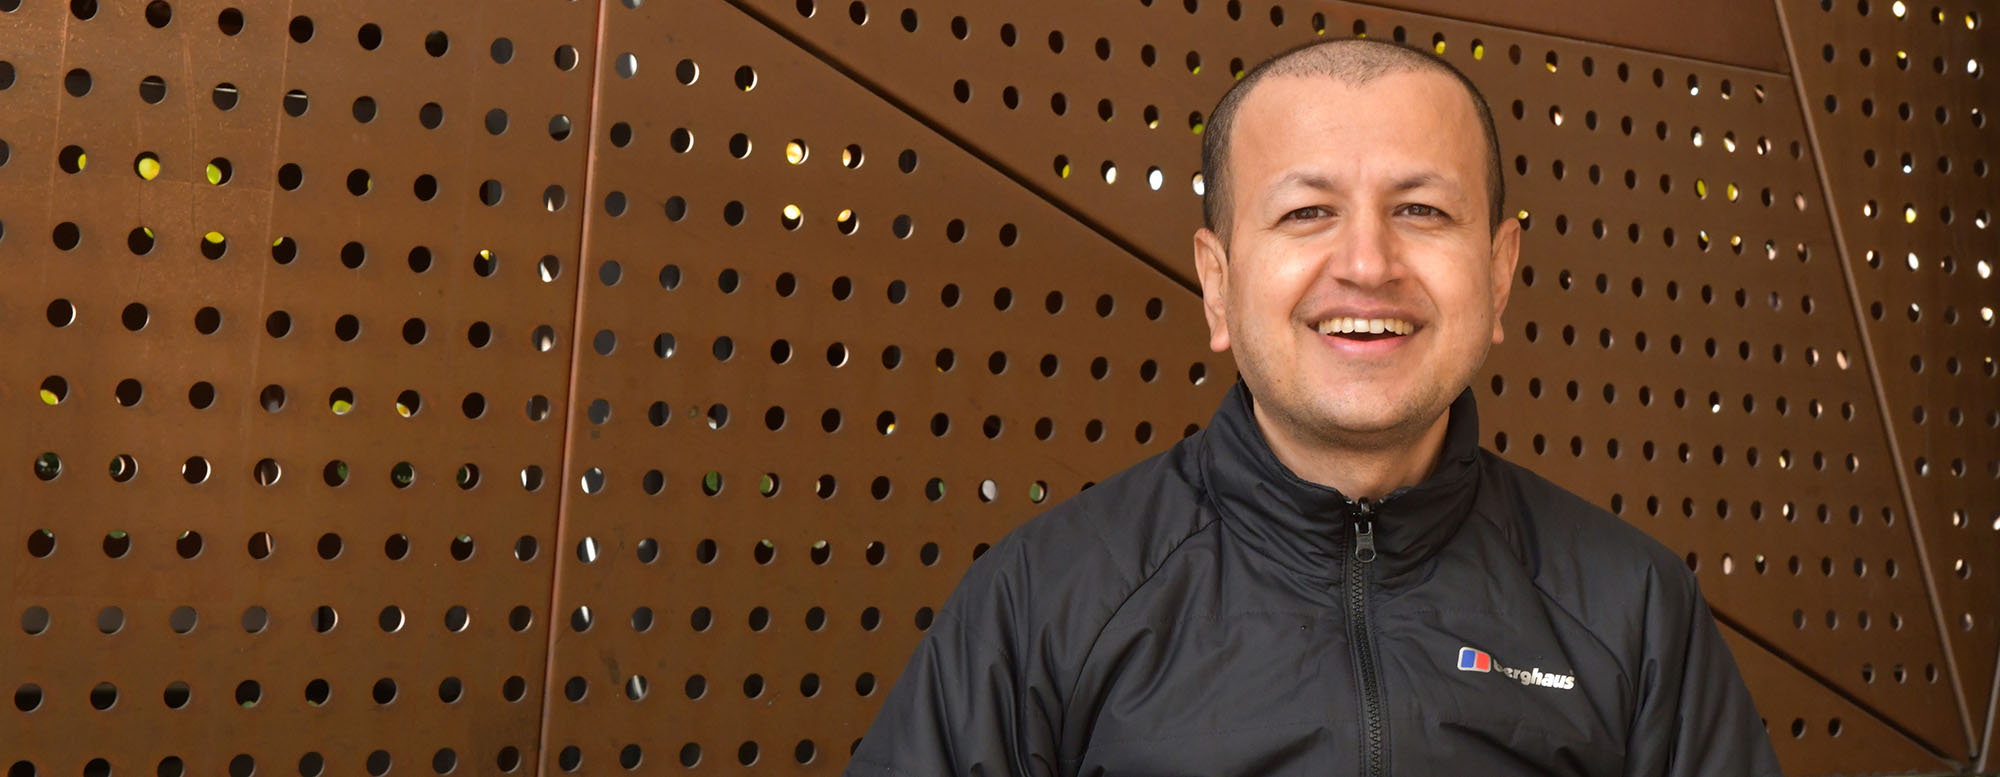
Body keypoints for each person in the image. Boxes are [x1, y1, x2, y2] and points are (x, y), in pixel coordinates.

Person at [845, 38, 1782, 776]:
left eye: (1421, 210)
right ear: (1218, 284)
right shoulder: (1043, 605)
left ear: (1499, 277)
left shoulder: (1633, 610)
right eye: (1306, 213)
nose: (1368, 264)